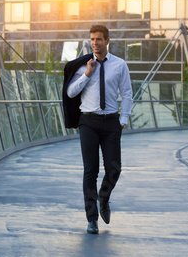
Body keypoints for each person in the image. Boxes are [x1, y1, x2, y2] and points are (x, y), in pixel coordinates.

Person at [63, 25, 133, 234]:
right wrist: (86, 74)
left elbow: (127, 94)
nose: (95, 43)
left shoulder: (120, 65)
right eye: (92, 39)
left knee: (114, 169)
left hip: (111, 123)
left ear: (107, 41)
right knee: (90, 171)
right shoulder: (83, 65)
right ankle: (91, 219)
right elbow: (70, 92)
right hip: (88, 123)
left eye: (99, 39)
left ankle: (104, 197)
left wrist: (123, 120)